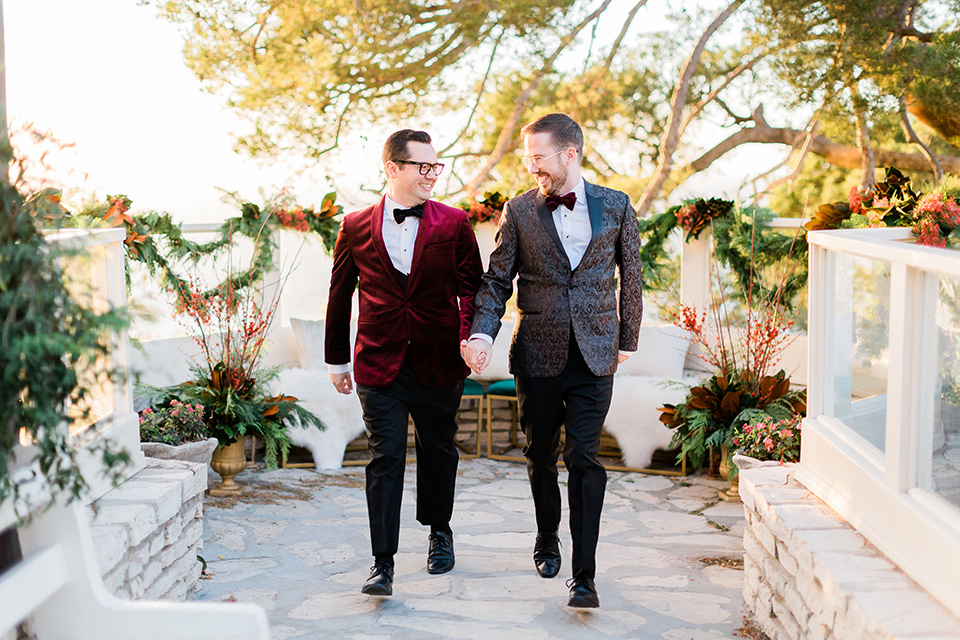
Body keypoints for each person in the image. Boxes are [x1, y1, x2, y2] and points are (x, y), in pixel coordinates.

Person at [462, 113, 643, 609]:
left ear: (570, 153)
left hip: (595, 354)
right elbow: (497, 281)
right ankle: (547, 536)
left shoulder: (617, 206)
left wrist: (627, 338)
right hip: (537, 353)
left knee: (583, 459)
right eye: (529, 159)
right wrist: (481, 332)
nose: (532, 167)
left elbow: (633, 277)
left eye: (539, 157)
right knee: (540, 455)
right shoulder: (518, 211)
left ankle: (584, 577)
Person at [325, 129, 483, 597]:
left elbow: (472, 287)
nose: (433, 175)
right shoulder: (353, 225)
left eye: (437, 166)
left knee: (439, 452)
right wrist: (337, 361)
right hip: (378, 363)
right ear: (393, 168)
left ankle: (440, 532)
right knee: (385, 458)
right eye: (423, 167)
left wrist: (468, 337)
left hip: (439, 361)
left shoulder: (454, 223)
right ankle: (382, 561)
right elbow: (339, 296)